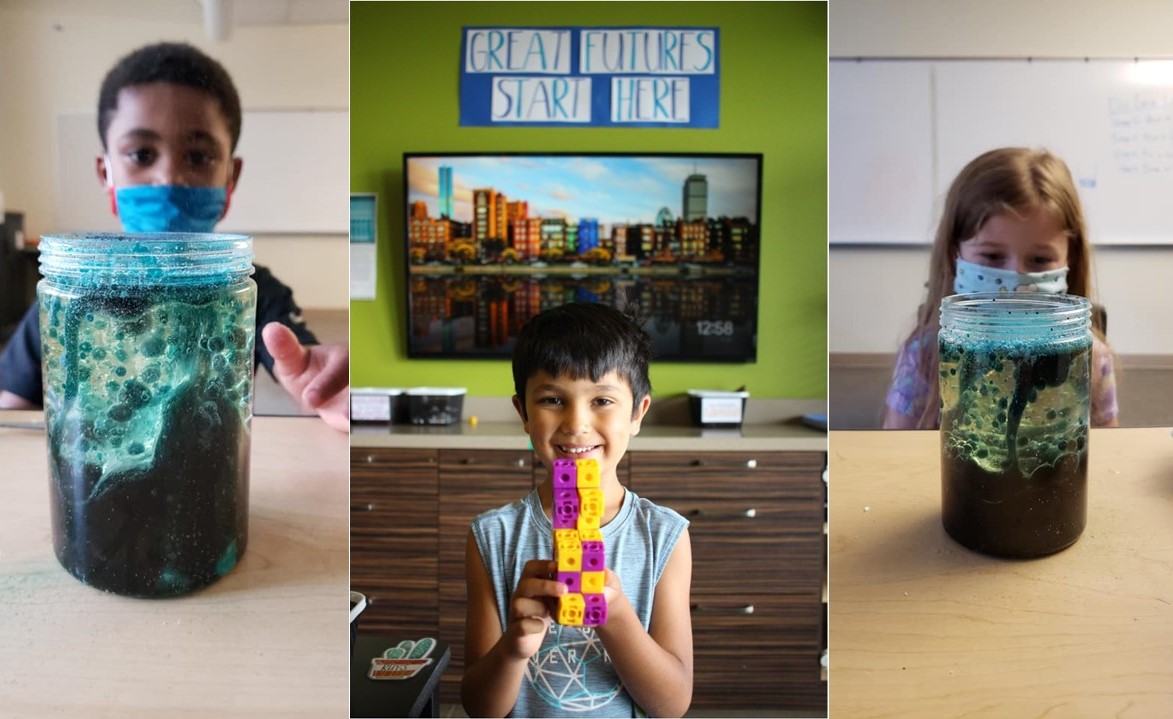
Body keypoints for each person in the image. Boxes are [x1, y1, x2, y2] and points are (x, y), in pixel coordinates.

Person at [0, 42, 349, 431]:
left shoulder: (254, 290)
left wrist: (322, 384)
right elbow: (11, 409)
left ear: (231, 176)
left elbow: (302, 365)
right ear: (106, 173)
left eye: (199, 157)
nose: (169, 179)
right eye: (142, 155)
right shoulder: (70, 294)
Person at [462, 302, 693, 718]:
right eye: (552, 399)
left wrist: (615, 616)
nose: (576, 423)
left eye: (602, 400)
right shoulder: (492, 537)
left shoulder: (665, 535)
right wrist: (514, 647)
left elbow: (672, 704)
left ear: (638, 413)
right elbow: (480, 709)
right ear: (524, 415)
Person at [883, 147, 1118, 430]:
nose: (1015, 279)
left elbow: (1108, 453)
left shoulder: (1092, 358)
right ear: (953, 254)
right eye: (992, 257)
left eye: (1040, 260)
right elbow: (895, 449)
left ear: (1072, 259)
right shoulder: (925, 355)